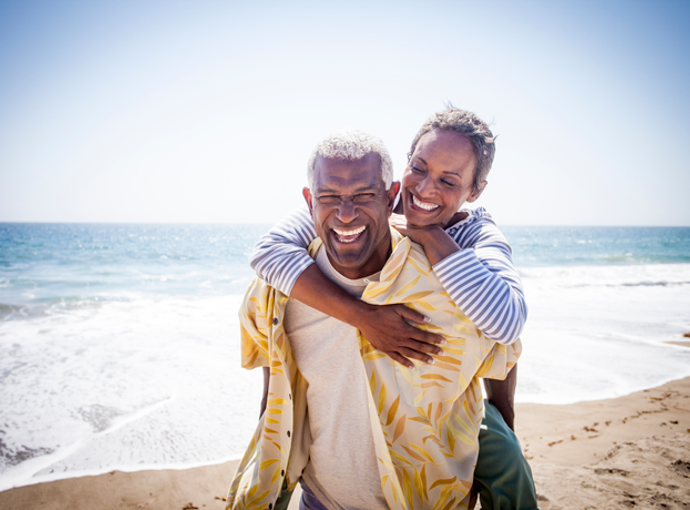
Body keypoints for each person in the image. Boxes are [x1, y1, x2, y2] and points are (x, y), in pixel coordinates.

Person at [248, 109, 535, 509]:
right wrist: (364, 318)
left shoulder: (475, 234)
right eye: (420, 168)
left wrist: (429, 235)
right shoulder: (375, 200)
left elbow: (505, 323)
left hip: (451, 390)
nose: (427, 189)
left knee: (505, 457)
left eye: (449, 181)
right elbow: (268, 253)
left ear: (475, 190)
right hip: (330, 483)